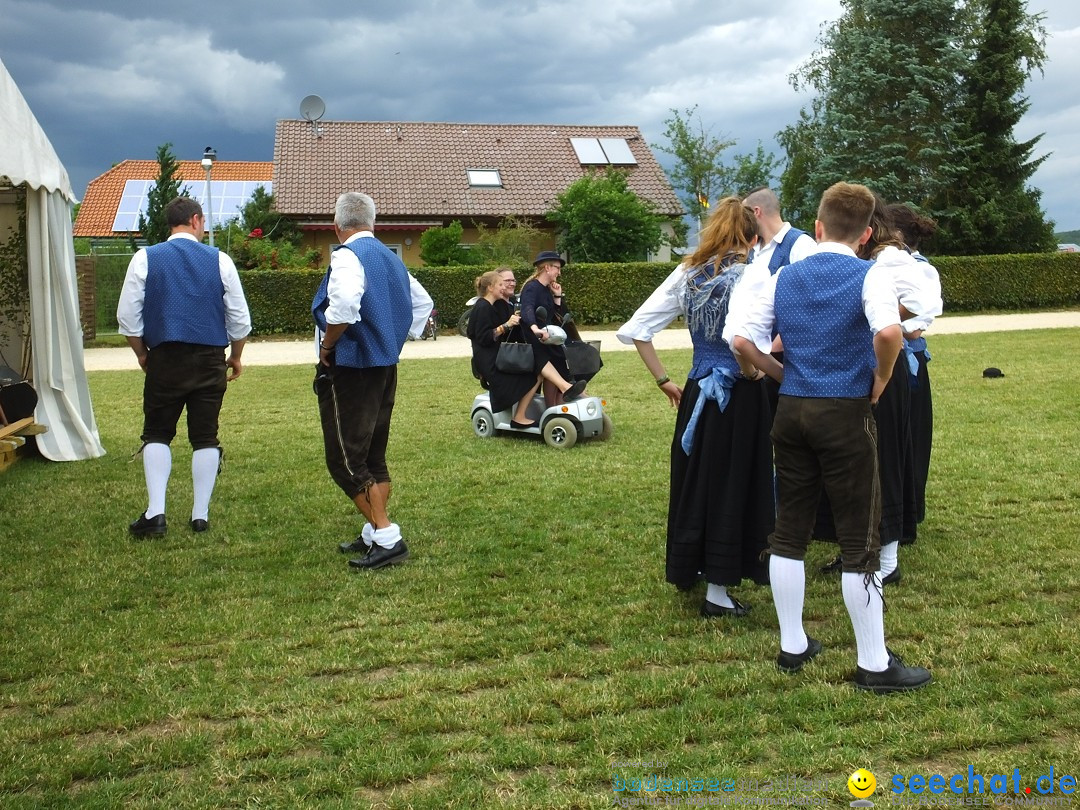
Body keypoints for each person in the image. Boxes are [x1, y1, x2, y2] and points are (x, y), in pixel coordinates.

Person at [730, 181, 932, 692]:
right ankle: (873, 662)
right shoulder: (870, 274)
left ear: (817, 227)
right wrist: (882, 379)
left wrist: (781, 377)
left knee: (790, 529)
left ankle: (793, 643)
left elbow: (743, 342)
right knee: (859, 537)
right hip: (844, 412)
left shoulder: (781, 276)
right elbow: (888, 334)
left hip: (792, 410)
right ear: (866, 234)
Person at [617, 198, 773, 616]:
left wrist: (664, 380)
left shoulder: (688, 272)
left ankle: (694, 570)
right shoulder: (753, 275)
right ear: (753, 237)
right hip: (739, 395)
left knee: (698, 481)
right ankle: (718, 593)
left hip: (696, 390)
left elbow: (636, 330)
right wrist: (756, 372)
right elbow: (744, 341)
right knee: (733, 483)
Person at [312, 191, 433, 571]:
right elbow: (423, 304)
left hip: (351, 368)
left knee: (346, 461)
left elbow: (344, 303)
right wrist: (393, 338)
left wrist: (328, 345)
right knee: (373, 455)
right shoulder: (392, 260)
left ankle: (387, 536)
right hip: (384, 367)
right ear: (373, 223)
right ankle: (373, 531)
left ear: (337, 226)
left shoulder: (347, 255)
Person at [117, 196, 251, 537]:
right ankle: (199, 515)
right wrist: (235, 356)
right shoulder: (220, 260)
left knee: (158, 432)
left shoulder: (145, 258)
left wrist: (142, 354)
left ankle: (156, 513)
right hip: (209, 360)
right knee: (205, 436)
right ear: (195, 220)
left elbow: (128, 318)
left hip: (165, 357)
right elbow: (239, 319)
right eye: (203, 222)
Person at [887, 202, 941, 526]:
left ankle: (905, 515)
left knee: (909, 439)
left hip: (908, 359)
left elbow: (914, 327)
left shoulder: (921, 270)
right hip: (887, 352)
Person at [467, 270, 543, 428]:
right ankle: (519, 417)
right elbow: (484, 337)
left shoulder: (491, 306)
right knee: (533, 377)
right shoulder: (483, 307)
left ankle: (523, 412)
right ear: (490, 288)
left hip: (495, 359)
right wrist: (506, 325)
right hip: (490, 364)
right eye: (500, 284)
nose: (504, 287)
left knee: (533, 371)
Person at [519, 251, 586, 406]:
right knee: (551, 358)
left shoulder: (547, 289)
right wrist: (535, 329)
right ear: (547, 268)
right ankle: (557, 401)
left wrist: (557, 296)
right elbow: (527, 309)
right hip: (534, 337)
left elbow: (555, 314)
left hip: (548, 336)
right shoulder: (532, 287)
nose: (559, 272)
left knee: (561, 361)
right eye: (557, 268)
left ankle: (557, 404)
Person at [742, 187, 816, 273]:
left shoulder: (802, 244)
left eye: (744, 214)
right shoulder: (750, 246)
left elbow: (811, 284)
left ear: (756, 211)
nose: (742, 221)